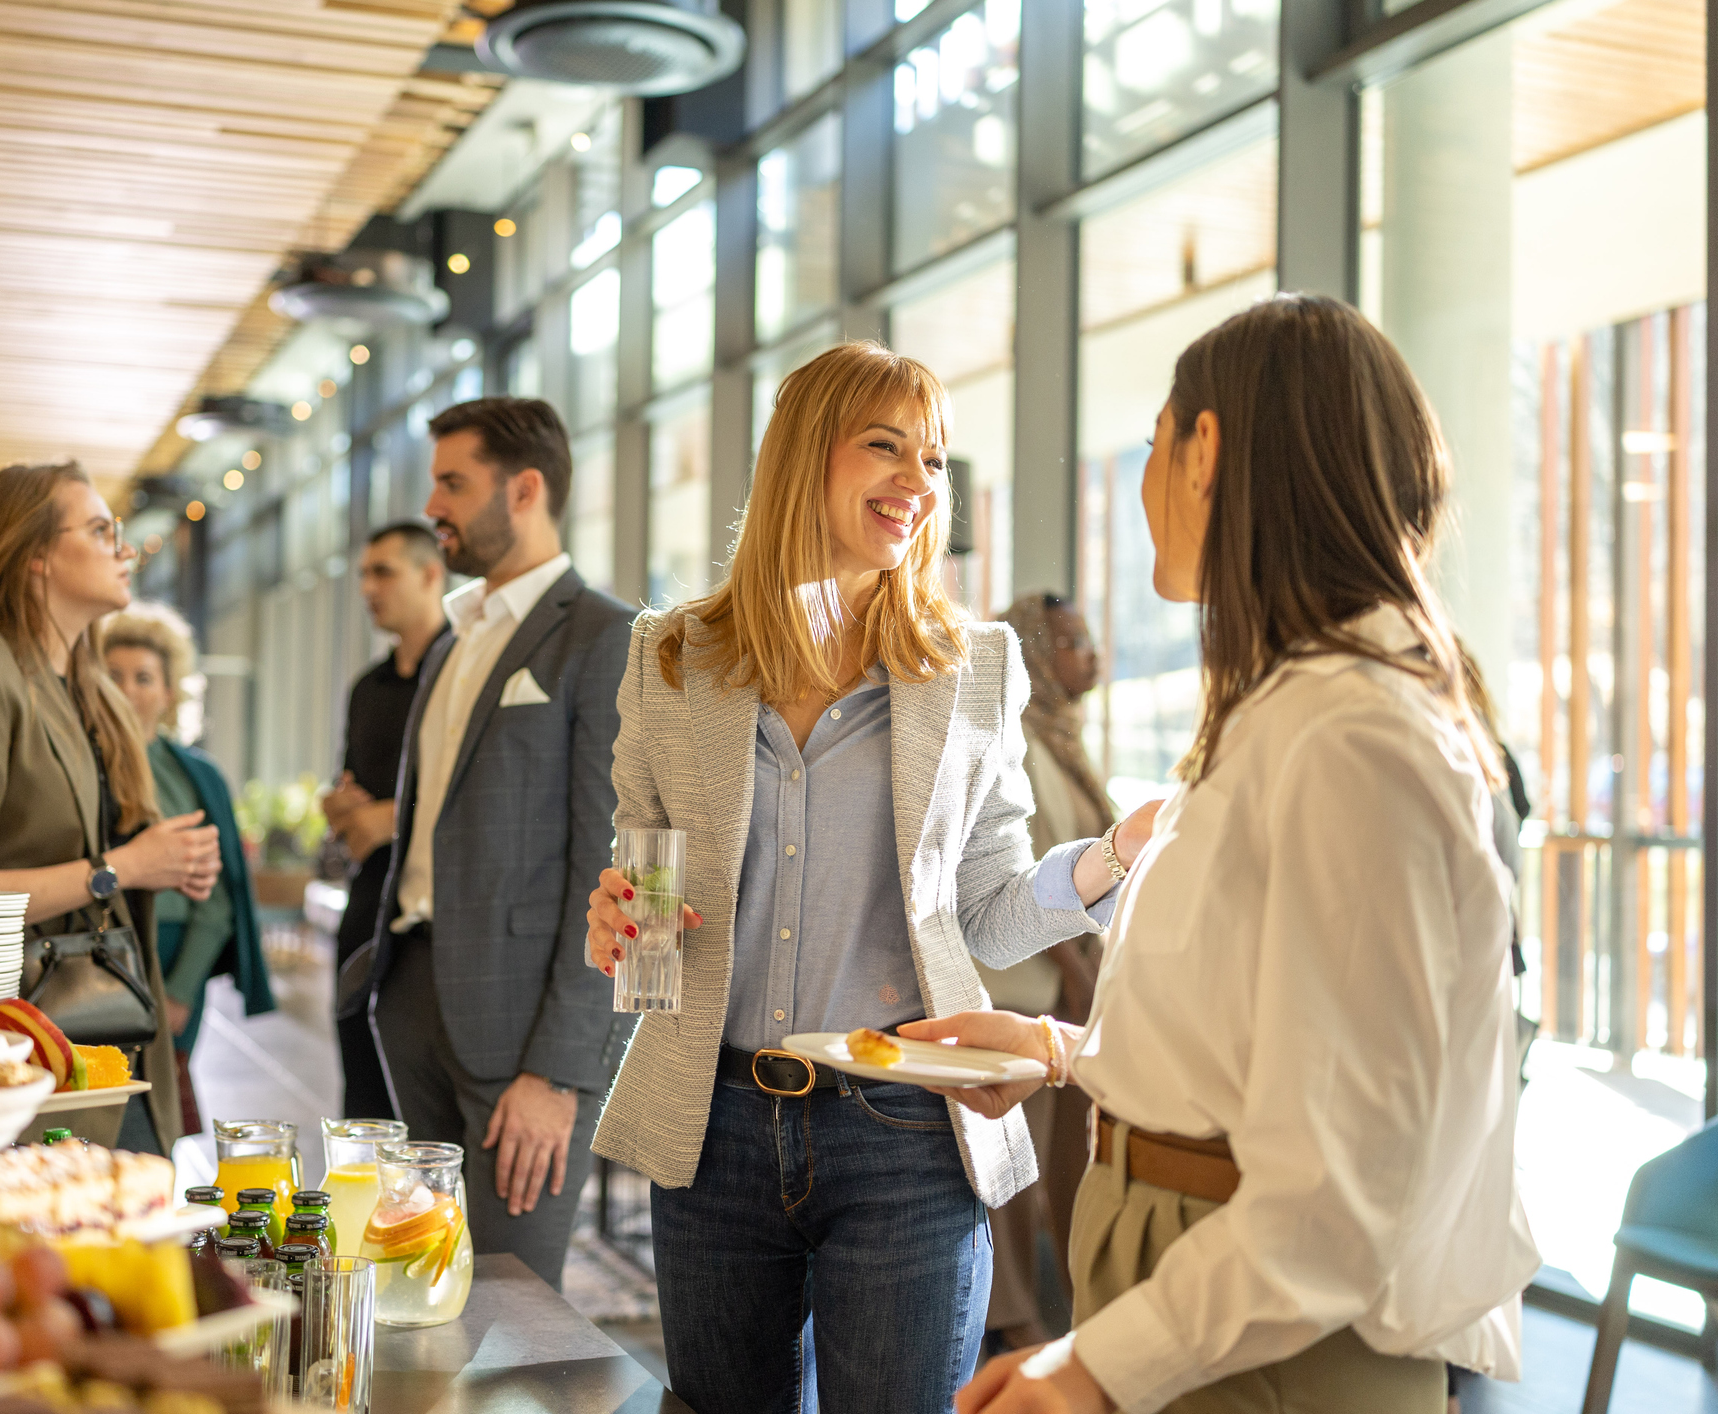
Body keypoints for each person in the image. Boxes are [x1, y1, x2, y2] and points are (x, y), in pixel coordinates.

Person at [914, 295, 1539, 1414]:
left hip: (1259, 1332)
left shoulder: (1351, 734)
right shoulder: (1291, 702)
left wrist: (1096, 1367)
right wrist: (1064, 1051)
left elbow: (1342, 1188)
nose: (1144, 481)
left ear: (1204, 451)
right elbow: (1268, 1046)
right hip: (1216, 1293)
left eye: (1153, 443)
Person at [582, 341, 1155, 1414]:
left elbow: (984, 913)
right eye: (886, 446)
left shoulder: (973, 665)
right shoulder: (672, 657)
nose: (918, 482)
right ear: (806, 456)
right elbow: (642, 885)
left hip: (907, 1131)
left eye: (934, 460)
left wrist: (1112, 857)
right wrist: (618, 923)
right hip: (713, 1126)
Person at [358, 396, 634, 1290]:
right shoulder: (452, 641)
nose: (432, 505)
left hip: (524, 1035)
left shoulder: (603, 636)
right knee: (423, 1286)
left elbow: (617, 863)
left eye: (452, 482)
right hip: (409, 999)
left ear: (522, 489)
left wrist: (557, 1071)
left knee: (514, 1312)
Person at [0, 462, 222, 1155]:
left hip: (91, 1027)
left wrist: (166, 860)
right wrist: (122, 868)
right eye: (100, 531)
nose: (123, 550)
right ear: (34, 553)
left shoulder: (75, 682)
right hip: (15, 1042)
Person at [981, 592, 1115, 1353]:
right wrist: (1071, 964)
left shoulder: (1062, 736)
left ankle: (1051, 1307)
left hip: (1065, 986)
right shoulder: (1017, 739)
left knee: (1057, 1163)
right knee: (1011, 1167)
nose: (1089, 655)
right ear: (1033, 649)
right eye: (1071, 641)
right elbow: (1020, 868)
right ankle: (1011, 1318)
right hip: (1020, 986)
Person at [102, 600, 276, 1136]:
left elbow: (218, 899)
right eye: (113, 676)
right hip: (101, 958)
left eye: (144, 677)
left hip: (178, 958)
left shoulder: (196, 775)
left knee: (161, 1111)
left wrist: (179, 989)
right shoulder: (79, 768)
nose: (129, 690)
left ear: (169, 691)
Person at [321, 522, 449, 1121]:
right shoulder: (367, 688)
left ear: (431, 574)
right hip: (367, 905)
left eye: (384, 572)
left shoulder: (463, 675)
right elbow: (355, 789)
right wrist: (343, 808)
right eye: (365, 575)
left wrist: (397, 819)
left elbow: (485, 800)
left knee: (422, 1106)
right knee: (363, 1092)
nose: (369, 588)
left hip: (435, 917)